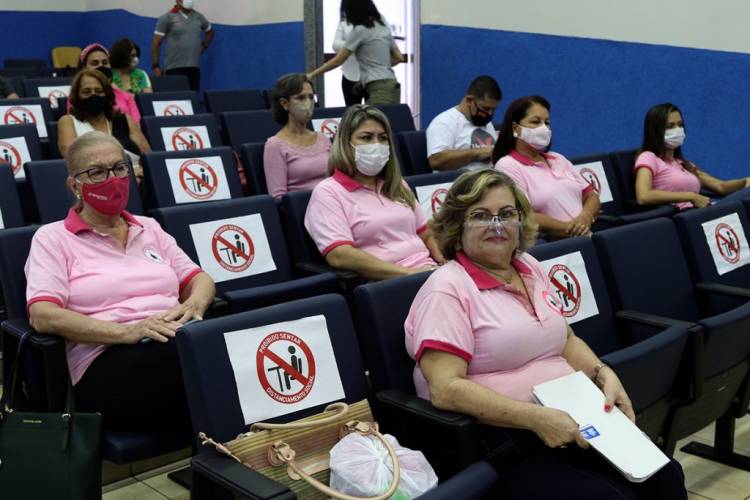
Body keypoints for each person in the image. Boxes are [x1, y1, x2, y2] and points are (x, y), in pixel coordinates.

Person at [405, 168, 687, 499]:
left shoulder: (530, 268)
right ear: (457, 225)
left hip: (571, 414)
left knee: (665, 475)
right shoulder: (447, 288)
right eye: (481, 216)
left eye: (507, 214)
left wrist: (602, 373)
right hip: (502, 435)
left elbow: (565, 340)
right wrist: (537, 418)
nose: (497, 225)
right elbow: (445, 389)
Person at [26, 131, 215, 432]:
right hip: (107, 357)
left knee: (226, 340)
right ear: (75, 185)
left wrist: (194, 303)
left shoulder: (149, 227)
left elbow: (199, 278)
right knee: (210, 362)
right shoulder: (52, 239)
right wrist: (128, 332)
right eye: (97, 172)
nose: (112, 178)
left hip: (174, 337)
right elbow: (42, 315)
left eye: (119, 167)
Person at [305, 105, 444, 280]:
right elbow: (340, 255)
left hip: (428, 272)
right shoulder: (328, 192)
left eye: (383, 138)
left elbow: (426, 233)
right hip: (387, 282)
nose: (376, 145)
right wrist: (409, 274)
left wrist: (444, 260)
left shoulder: (397, 184)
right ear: (345, 143)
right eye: (366, 137)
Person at [493, 96, 600, 239]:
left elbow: (591, 195)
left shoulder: (558, 158)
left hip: (586, 236)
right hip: (555, 245)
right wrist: (571, 229)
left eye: (547, 123)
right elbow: (525, 215)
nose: (543, 128)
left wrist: (586, 217)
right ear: (516, 128)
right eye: (536, 122)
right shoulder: (507, 165)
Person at [635, 102, 750, 210]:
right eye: (670, 126)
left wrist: (745, 181)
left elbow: (720, 186)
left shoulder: (684, 163)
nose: (677, 130)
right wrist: (691, 196)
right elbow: (644, 196)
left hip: (705, 210)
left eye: (680, 125)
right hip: (686, 215)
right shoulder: (648, 157)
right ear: (655, 131)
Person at [58, 69, 151, 184]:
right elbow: (73, 161)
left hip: (139, 179)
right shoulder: (68, 122)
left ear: (107, 94)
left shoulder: (124, 119)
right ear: (77, 96)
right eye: (87, 92)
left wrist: (139, 171)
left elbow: (148, 155)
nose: (93, 95)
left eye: (99, 91)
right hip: (96, 182)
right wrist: (126, 176)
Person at [308, 0, 403, 105]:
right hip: (391, 84)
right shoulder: (382, 28)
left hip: (377, 89)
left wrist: (312, 74)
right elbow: (399, 57)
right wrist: (378, 65)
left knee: (370, 119)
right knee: (387, 119)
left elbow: (339, 60)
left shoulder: (360, 30)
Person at [264, 73, 331, 198]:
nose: (308, 103)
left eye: (311, 97)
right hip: (302, 212)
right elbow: (278, 198)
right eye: (301, 98)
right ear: (285, 103)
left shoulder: (323, 139)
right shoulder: (275, 146)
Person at [426, 76, 501, 171]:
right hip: (460, 183)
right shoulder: (444, 122)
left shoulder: (486, 123)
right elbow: (436, 160)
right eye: (485, 108)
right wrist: (478, 153)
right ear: (469, 100)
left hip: (490, 179)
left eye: (493, 110)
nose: (489, 114)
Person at [152, 0, 214, 92]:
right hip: (173, 69)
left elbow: (210, 32)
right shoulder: (167, 18)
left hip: (193, 69)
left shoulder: (199, 17)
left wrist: (204, 46)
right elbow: (156, 43)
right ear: (177, 1)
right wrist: (155, 66)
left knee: (192, 101)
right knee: (174, 101)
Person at [76, 43, 141, 123]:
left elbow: (137, 126)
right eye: (94, 63)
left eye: (105, 62)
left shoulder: (127, 97)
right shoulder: (76, 97)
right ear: (84, 67)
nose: (101, 66)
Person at [333, 17, 366, 105]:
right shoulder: (344, 23)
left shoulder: (373, 21)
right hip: (349, 75)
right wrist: (355, 43)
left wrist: (348, 44)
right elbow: (335, 45)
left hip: (370, 76)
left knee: (374, 112)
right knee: (352, 111)